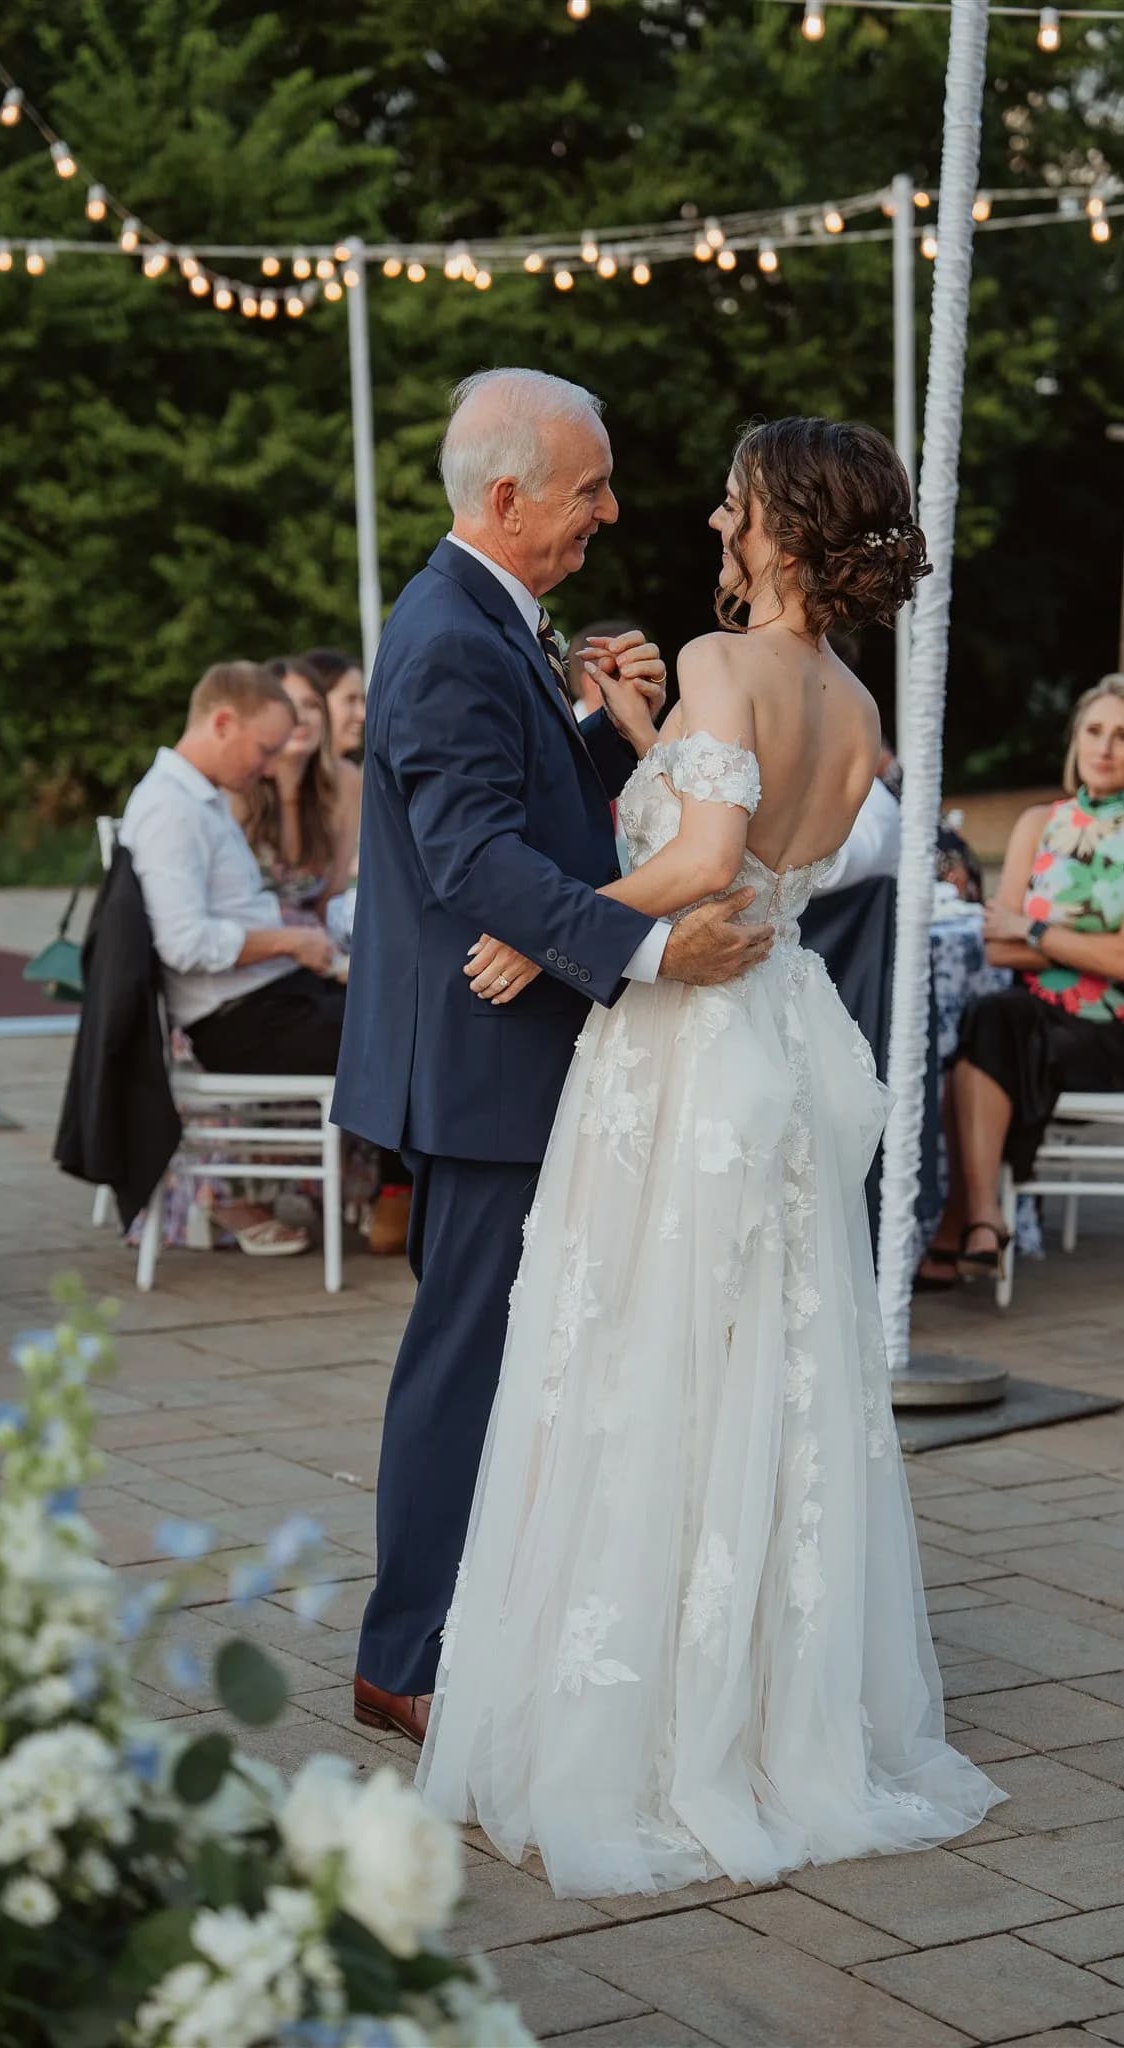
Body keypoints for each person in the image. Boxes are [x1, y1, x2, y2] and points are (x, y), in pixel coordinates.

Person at [415, 416, 1003, 1899]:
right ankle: (764, 1699)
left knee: (638, 1345)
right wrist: (636, 742)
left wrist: (552, 935)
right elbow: (758, 846)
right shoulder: (854, 703)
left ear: (783, 532)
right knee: (769, 1354)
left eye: (734, 503)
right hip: (782, 1029)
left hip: (687, 1040)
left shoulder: (727, 660)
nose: (710, 522)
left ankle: (653, 1722)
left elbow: (692, 867)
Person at [332, 369, 774, 1748]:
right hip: (479, 1061)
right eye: (589, 489)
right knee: (463, 1360)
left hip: (504, 1044)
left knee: (512, 1352)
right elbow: (469, 856)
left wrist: (592, 727)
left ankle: (484, 1615)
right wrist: (647, 954)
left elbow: (511, 798)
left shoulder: (481, 615)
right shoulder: (452, 631)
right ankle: (403, 1659)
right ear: (508, 494)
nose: (611, 511)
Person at [917, 676, 1124, 1290]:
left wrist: (1037, 933)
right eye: (1094, 732)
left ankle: (966, 1221)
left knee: (994, 1026)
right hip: (1039, 1018)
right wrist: (1088, 945)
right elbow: (995, 941)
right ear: (1076, 740)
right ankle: (984, 1218)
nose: (1106, 748)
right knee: (993, 1017)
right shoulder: (1038, 823)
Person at [118, 660, 343, 1255]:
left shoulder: (202, 798)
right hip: (240, 1022)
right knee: (413, 1032)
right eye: (264, 750)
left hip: (267, 1000)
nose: (268, 767)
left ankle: (405, 1199)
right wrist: (293, 941)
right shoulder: (172, 808)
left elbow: (233, 916)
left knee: (411, 1008)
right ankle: (423, 1202)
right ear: (222, 722)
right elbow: (186, 944)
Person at [234, 656, 357, 922]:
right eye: (289, 704)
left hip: (316, 949)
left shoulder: (345, 781)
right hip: (248, 950)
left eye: (312, 705)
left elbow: (332, 899)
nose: (302, 717)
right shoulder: (237, 786)